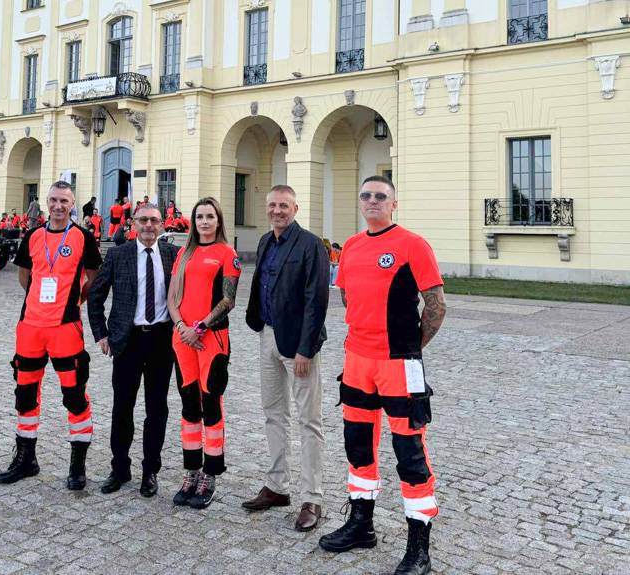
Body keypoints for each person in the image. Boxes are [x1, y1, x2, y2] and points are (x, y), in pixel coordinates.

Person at [318, 176, 446, 575]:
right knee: (358, 445)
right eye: (366, 195)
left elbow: (436, 306)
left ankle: (419, 549)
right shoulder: (352, 246)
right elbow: (345, 295)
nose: (372, 201)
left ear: (394, 204)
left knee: (410, 454)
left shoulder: (412, 244)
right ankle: (361, 526)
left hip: (398, 365)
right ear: (360, 203)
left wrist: (410, 347)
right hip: (356, 361)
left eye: (381, 196)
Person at [0, 180, 101, 491]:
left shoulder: (83, 237)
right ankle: (26, 458)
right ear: (46, 202)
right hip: (30, 326)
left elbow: (93, 277)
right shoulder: (33, 235)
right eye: (53, 200)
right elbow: (24, 275)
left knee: (74, 395)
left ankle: (77, 465)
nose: (58, 206)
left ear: (72, 204)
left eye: (64, 201)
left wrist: (75, 300)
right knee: (25, 394)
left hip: (66, 328)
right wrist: (40, 298)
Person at [242, 185, 330, 532]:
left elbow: (316, 299)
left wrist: (306, 349)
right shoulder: (266, 241)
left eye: (284, 205)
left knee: (309, 421)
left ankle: (314, 497)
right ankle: (278, 486)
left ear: (296, 207)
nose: (278, 211)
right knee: (273, 414)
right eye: (273, 205)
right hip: (267, 334)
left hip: (298, 345)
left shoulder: (310, 244)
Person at [88, 203, 179, 498]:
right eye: (143, 220)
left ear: (162, 224)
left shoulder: (173, 256)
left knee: (157, 409)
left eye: (154, 220)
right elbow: (95, 295)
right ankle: (120, 467)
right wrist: (101, 333)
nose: (149, 225)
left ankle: (150, 470)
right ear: (133, 224)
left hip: (161, 341)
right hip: (127, 341)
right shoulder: (118, 254)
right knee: (122, 408)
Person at [167, 197, 241, 509]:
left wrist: (200, 327)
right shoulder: (184, 253)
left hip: (212, 339)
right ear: (193, 222)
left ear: (218, 220)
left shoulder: (228, 253)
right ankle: (191, 471)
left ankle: (211, 474)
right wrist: (183, 326)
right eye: (200, 217)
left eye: (210, 216)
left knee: (211, 404)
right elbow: (172, 296)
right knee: (188, 405)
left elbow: (229, 300)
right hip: (182, 338)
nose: (205, 222)